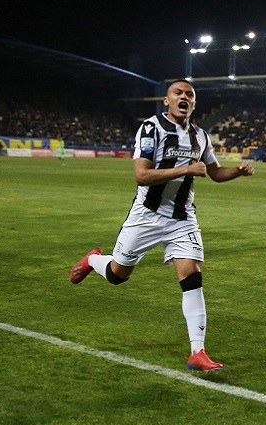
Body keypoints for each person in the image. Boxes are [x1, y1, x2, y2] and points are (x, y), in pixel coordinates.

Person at [69, 79, 254, 371]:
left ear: (194, 103)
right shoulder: (151, 128)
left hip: (182, 217)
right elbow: (142, 175)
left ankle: (197, 352)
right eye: (177, 93)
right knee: (118, 275)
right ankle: (93, 260)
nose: (184, 97)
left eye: (189, 95)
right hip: (146, 215)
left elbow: (215, 172)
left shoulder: (201, 136)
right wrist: (186, 169)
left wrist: (238, 172)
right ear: (166, 101)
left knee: (192, 275)